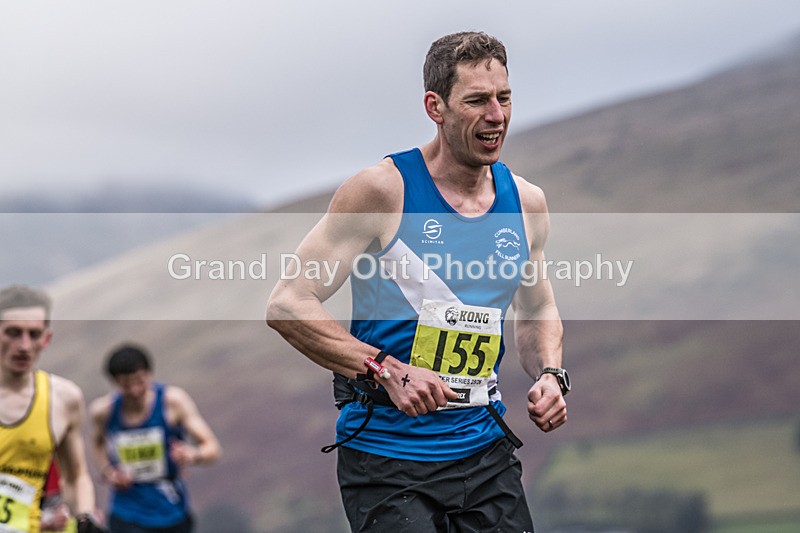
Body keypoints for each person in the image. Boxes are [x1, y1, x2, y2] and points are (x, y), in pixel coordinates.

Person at [267, 31, 569, 532]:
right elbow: (288, 304)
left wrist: (550, 375)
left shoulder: (526, 202)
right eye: (477, 100)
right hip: (388, 459)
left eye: (504, 97)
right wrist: (386, 369)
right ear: (436, 107)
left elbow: (537, 309)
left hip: (484, 451)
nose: (496, 115)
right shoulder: (383, 191)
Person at [0, 284, 105, 533]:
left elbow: (76, 476)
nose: (24, 345)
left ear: (46, 338)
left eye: (34, 334)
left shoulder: (64, 399)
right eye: (13, 333)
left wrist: (85, 519)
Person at [89, 344, 221, 533]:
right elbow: (97, 442)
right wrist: (108, 472)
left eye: (139, 381)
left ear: (149, 374)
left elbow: (212, 448)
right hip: (126, 512)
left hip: (172, 510)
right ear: (114, 382)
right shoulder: (103, 411)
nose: (134, 390)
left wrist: (192, 454)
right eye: (126, 385)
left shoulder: (172, 402)